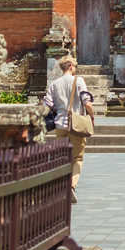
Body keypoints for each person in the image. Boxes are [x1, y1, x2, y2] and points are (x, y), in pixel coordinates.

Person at [42, 55, 93, 202]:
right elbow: (87, 102)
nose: (75, 69)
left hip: (60, 125)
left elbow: (47, 105)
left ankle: (61, 185)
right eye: (75, 67)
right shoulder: (79, 81)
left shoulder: (54, 83)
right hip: (75, 125)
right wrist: (92, 116)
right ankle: (71, 185)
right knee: (77, 157)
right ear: (71, 66)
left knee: (63, 156)